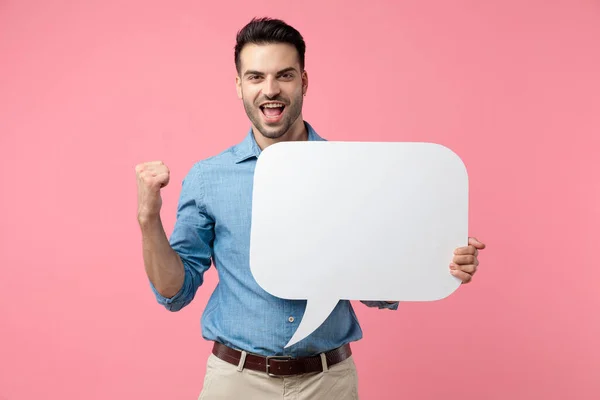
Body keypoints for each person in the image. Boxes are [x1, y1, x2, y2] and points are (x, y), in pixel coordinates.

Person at [135, 17, 486, 400]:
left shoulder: (350, 171)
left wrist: (439, 260)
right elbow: (175, 290)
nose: (270, 90)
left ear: (303, 81)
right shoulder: (207, 178)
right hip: (236, 382)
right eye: (255, 77)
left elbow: (376, 282)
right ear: (238, 85)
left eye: (284, 76)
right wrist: (148, 219)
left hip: (328, 382)